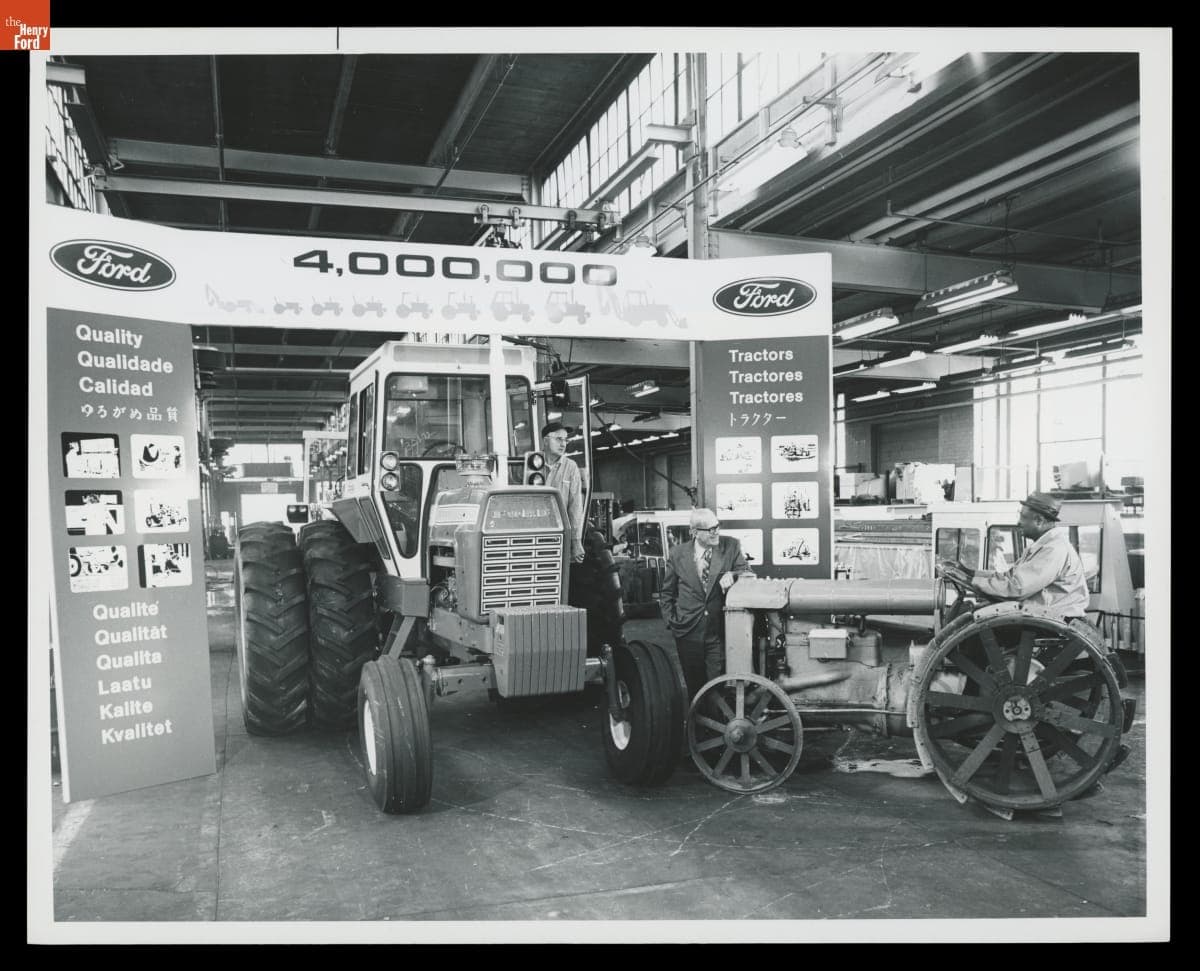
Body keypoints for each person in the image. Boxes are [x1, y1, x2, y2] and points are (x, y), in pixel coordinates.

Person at [939, 492, 1089, 620]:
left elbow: (1016, 589)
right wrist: (970, 572)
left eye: (1023, 517)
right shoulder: (1043, 546)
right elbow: (1009, 576)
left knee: (973, 626)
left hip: (1052, 618)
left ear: (1039, 520)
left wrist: (972, 581)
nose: (1019, 522)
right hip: (1042, 614)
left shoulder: (1054, 550)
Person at [658, 507, 755, 702]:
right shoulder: (677, 554)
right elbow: (667, 592)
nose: (716, 532)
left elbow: (748, 573)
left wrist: (733, 574)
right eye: (710, 529)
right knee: (694, 684)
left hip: (717, 630)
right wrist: (672, 621)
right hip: (687, 629)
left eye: (717, 526)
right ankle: (698, 726)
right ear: (694, 532)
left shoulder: (731, 546)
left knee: (717, 684)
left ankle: (716, 727)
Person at [541, 420, 585, 563]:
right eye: (559, 439)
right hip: (534, 531)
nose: (563, 444)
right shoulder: (531, 463)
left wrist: (576, 541)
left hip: (558, 534)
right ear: (545, 441)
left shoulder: (571, 467)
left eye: (565, 440)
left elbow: (575, 506)